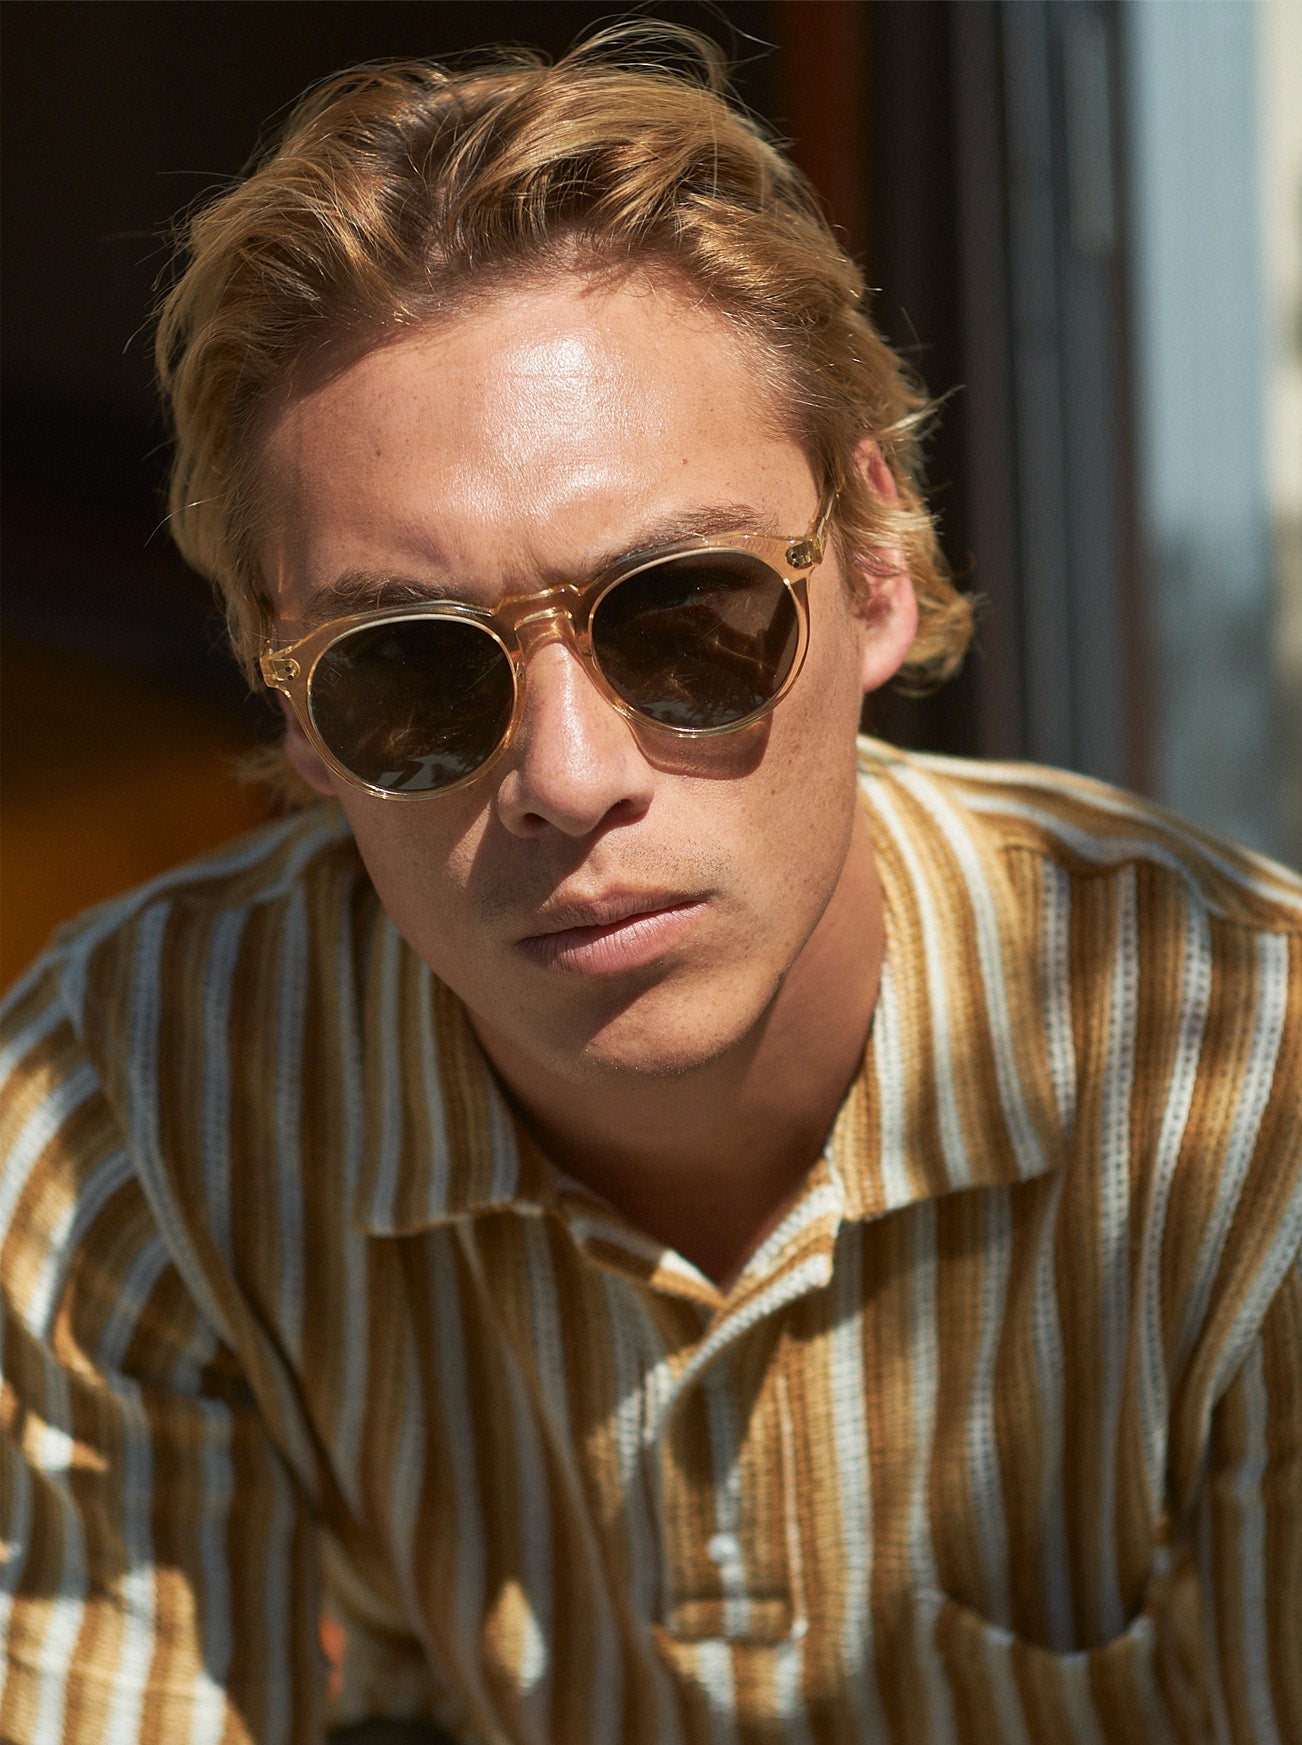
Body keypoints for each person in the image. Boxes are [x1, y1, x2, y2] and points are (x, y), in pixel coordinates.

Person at [1, 26, 1298, 1745]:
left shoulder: (1241, 1096)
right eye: (412, 671)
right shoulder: (136, 1110)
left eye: (683, 615)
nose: (565, 772)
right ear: (294, 712)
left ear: (874, 570)